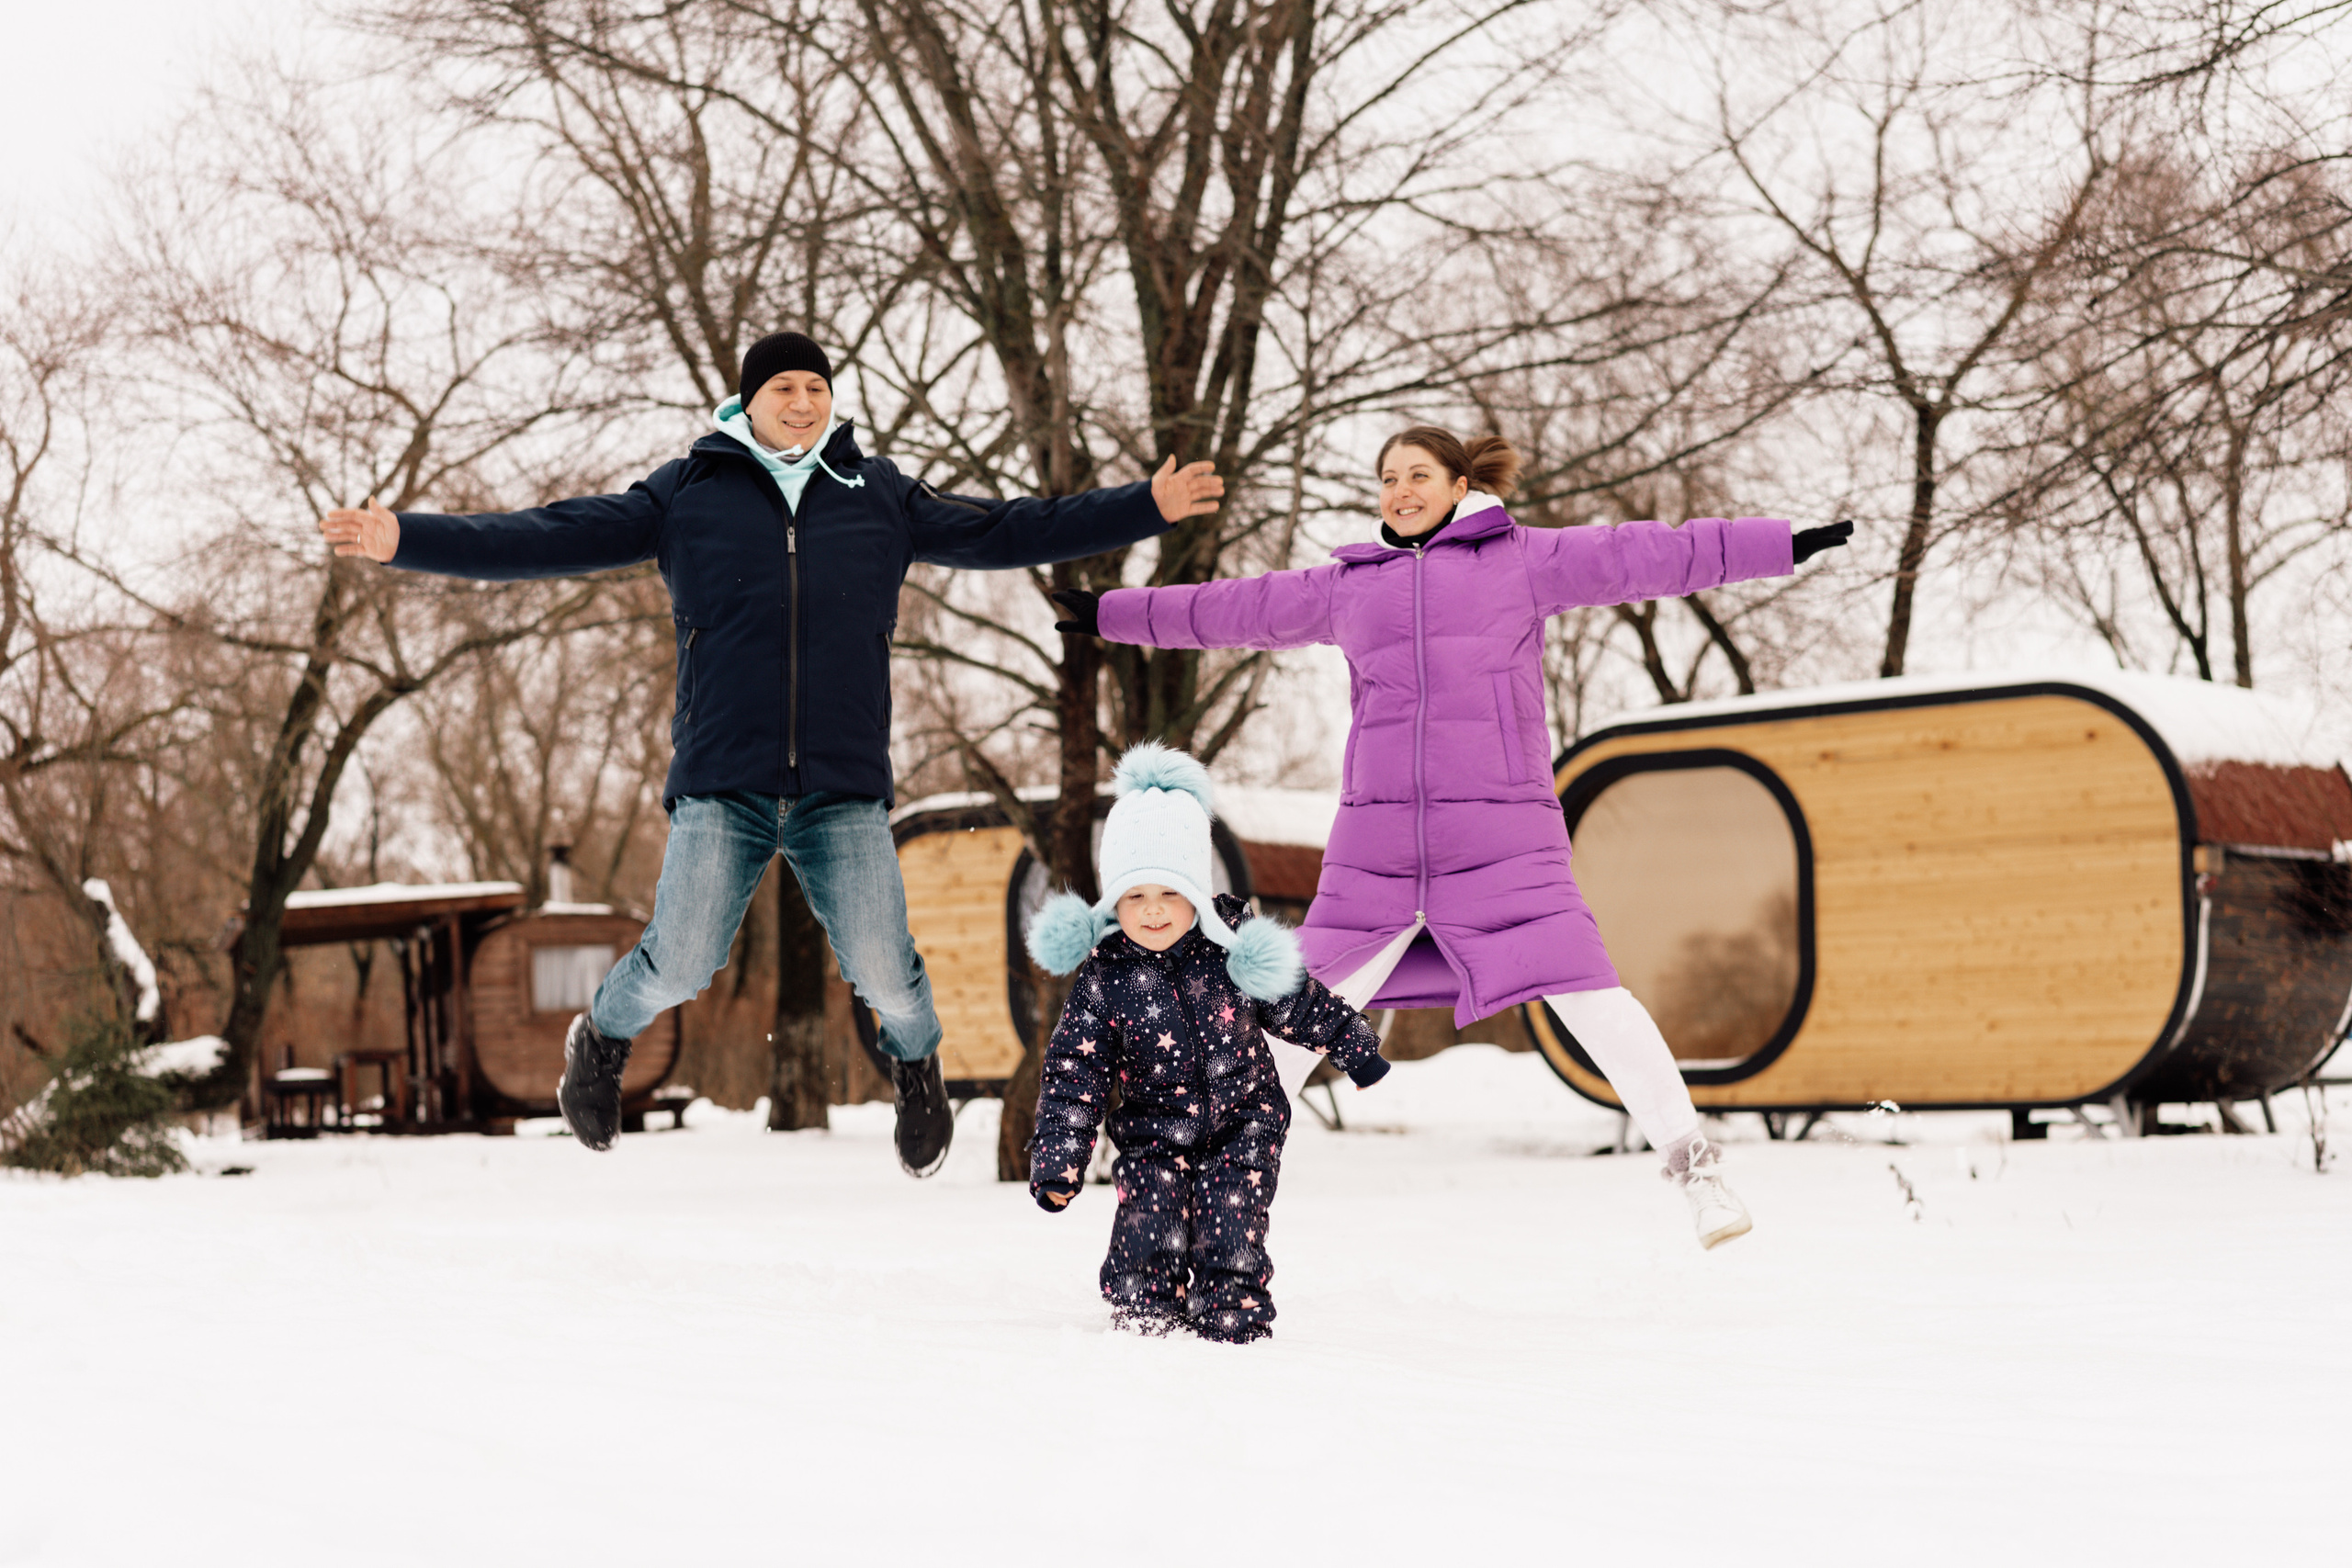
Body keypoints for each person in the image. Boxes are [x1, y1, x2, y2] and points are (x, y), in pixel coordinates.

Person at [318, 332, 1224, 1175]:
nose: (803, 400)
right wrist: (408, 539)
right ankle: (600, 1036)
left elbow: (1008, 531)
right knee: (679, 963)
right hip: (725, 780)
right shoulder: (686, 494)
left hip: (841, 788)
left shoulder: (880, 496)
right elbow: (551, 534)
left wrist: (1143, 507)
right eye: (784, 387)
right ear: (745, 402)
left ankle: (916, 1070)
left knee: (887, 973)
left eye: (817, 387)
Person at [1051, 426, 1853, 1247]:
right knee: (1278, 1031)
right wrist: (1111, 614)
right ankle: (1181, 1207)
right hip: (1376, 852)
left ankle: (1697, 1170)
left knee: (1593, 999)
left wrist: (1780, 544)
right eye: (1388, 477)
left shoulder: (1522, 559)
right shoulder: (1348, 586)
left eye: (1418, 474)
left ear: (1461, 482)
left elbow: (1646, 554)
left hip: (1507, 839)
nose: (1401, 489)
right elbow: (1233, 608)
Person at [1023, 742, 1390, 1342]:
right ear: (1112, 899)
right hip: (1153, 1134)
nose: (1154, 911)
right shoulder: (1105, 974)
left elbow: (1297, 998)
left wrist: (1353, 1043)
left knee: (1231, 1221)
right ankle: (1145, 1310)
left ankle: (1231, 1305)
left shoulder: (1234, 947)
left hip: (1243, 1124)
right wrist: (1060, 1157)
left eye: (1170, 892)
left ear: (1196, 888)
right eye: (1135, 894)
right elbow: (1075, 1071)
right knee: (1149, 1222)